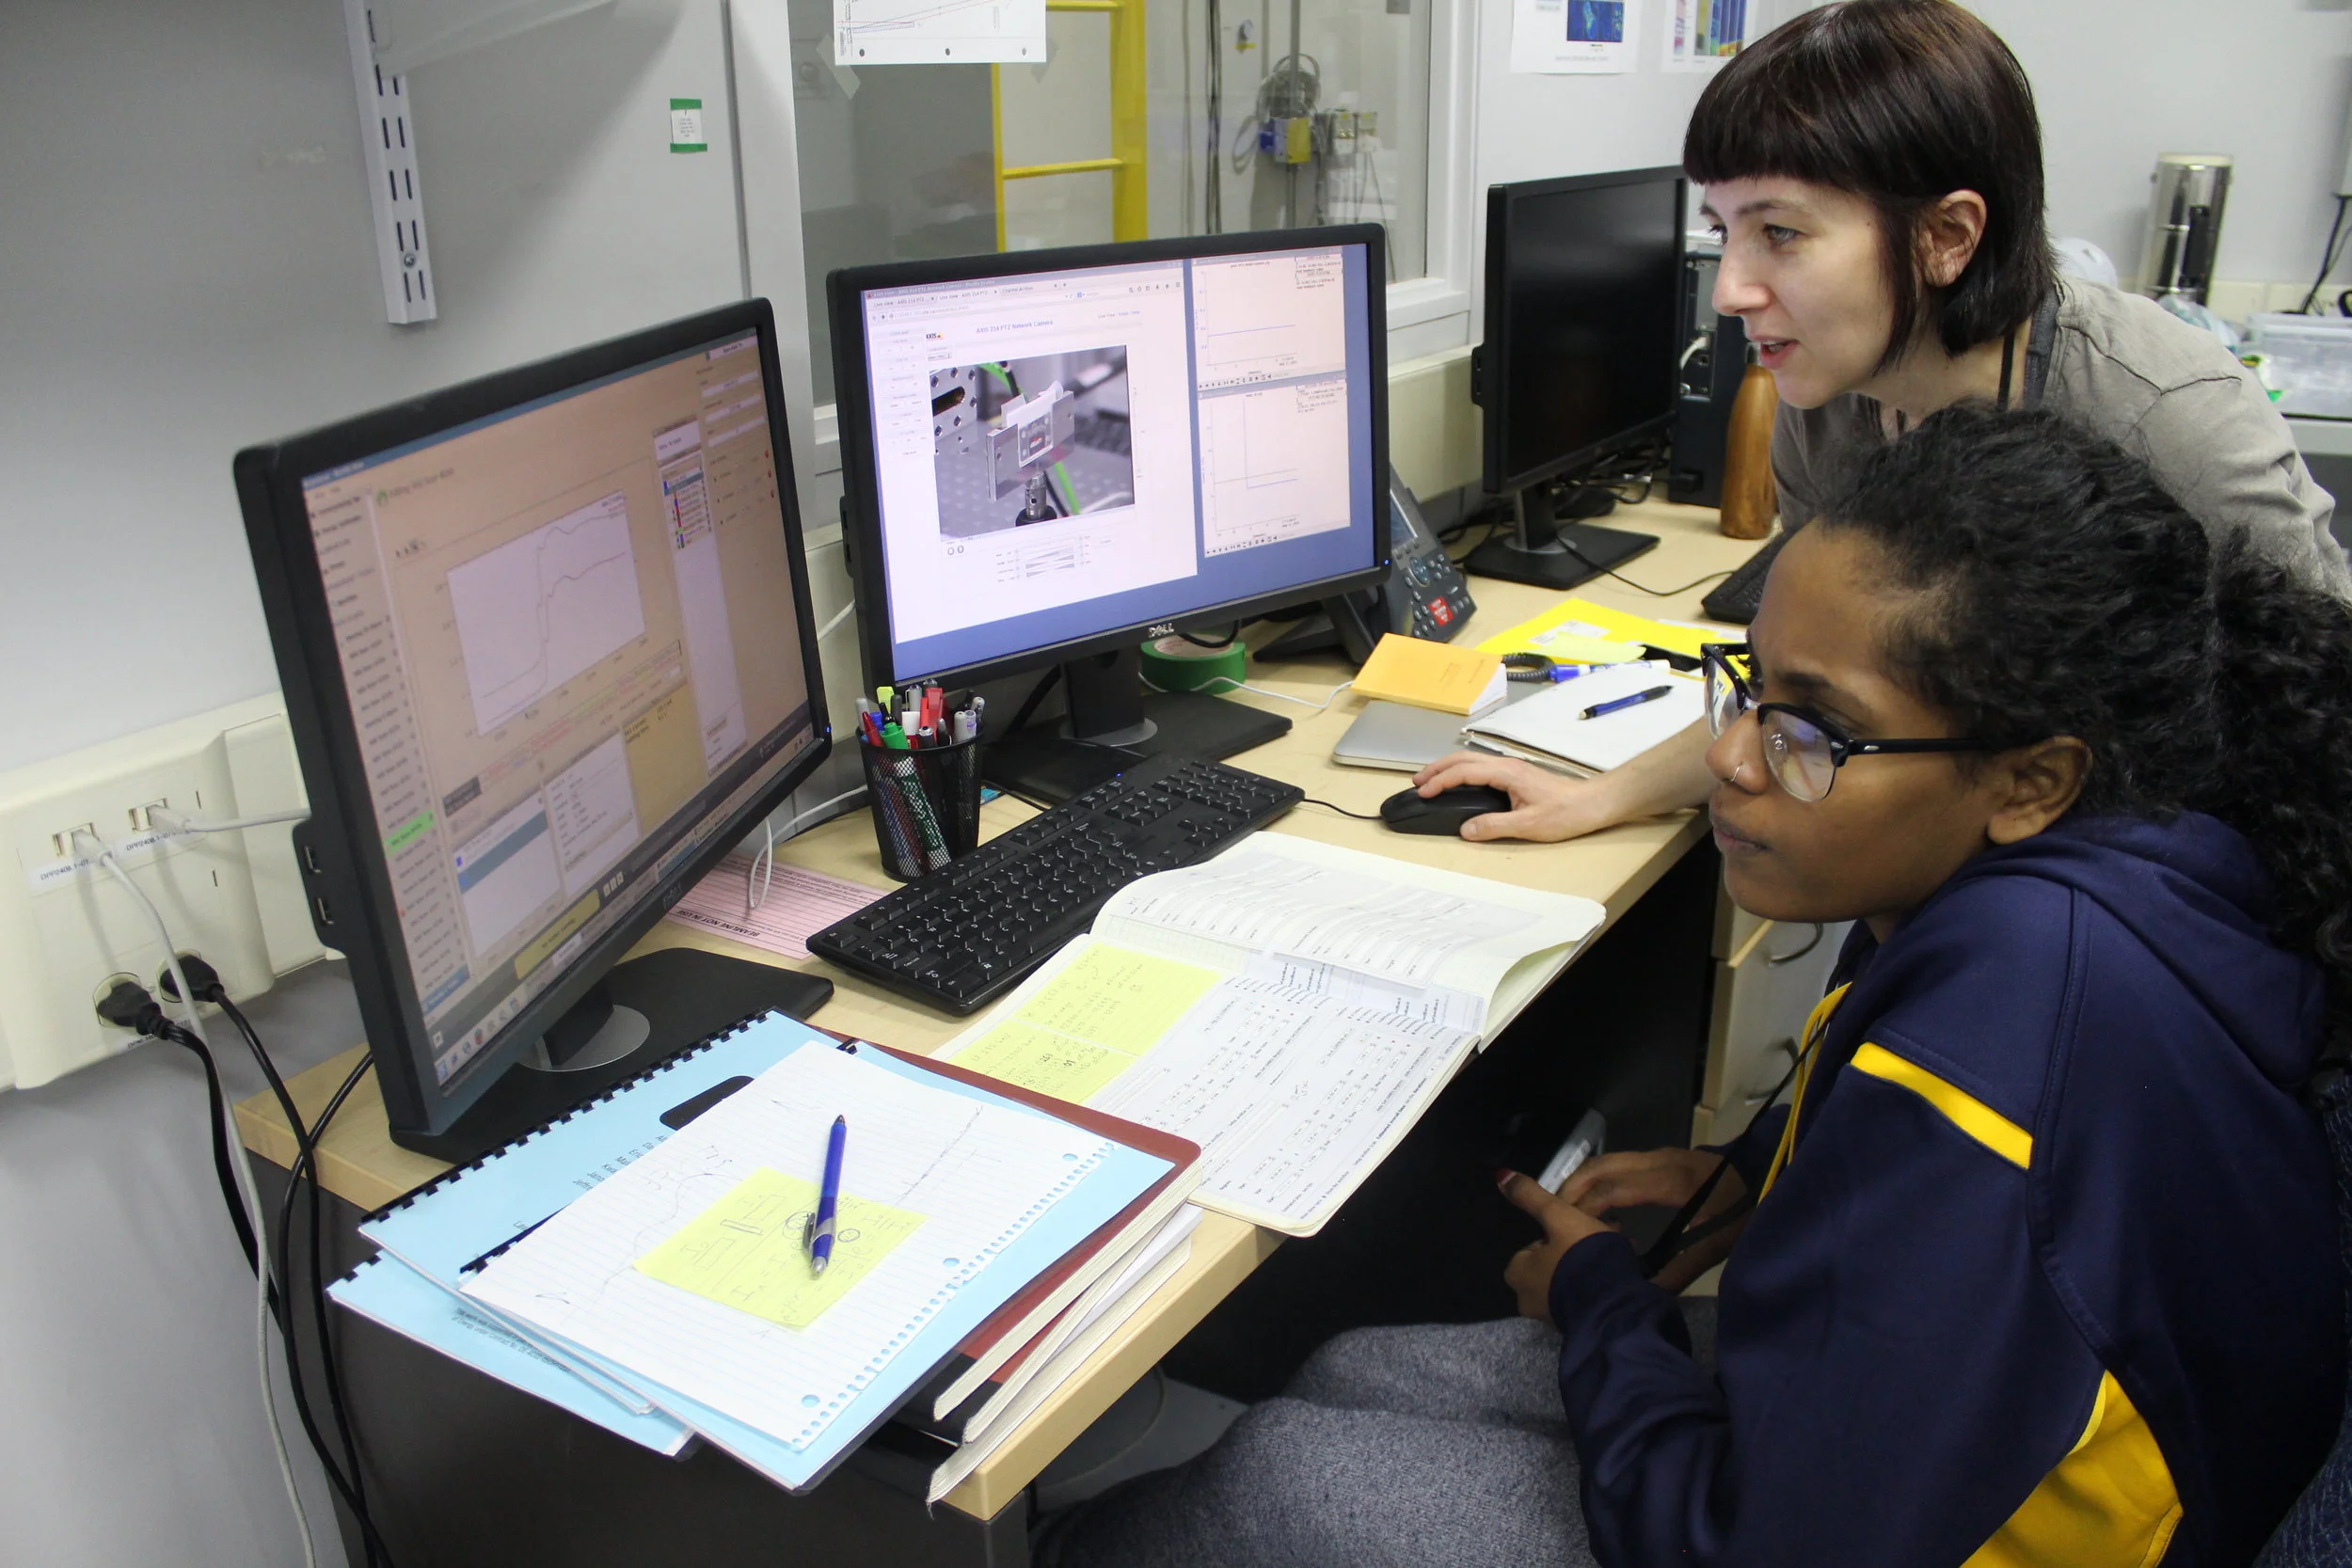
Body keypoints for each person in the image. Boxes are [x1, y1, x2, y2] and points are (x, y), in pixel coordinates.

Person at [1034, 406, 2345, 1567]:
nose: (1730, 758)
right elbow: (1992, 1178)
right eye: (1749, 688)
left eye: (1808, 728)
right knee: (1355, 1365)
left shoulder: (2016, 1019)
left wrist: (1608, 1297)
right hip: (1974, 1456)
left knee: (1288, 1481)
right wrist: (1755, 1169)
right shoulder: (2102, 869)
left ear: (2030, 778)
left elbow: (1752, 1539)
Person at [1413, 0, 2350, 846]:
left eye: (1779, 232)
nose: (1732, 289)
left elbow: (2318, 721)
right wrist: (1604, 794)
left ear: (1945, 237)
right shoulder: (1828, 411)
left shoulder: (2158, 413)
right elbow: (1795, 692)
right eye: (1723, 228)